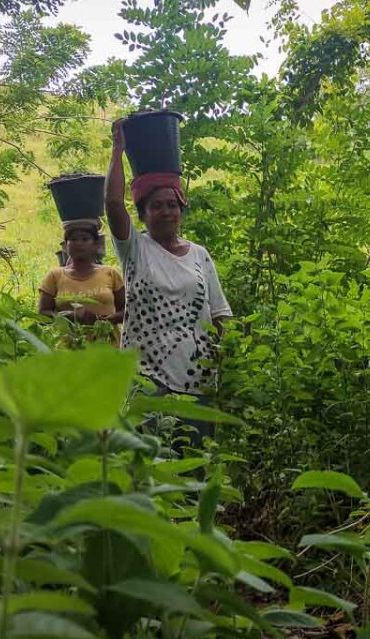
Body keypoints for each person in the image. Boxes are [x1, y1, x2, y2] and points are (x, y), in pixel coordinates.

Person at [105, 119, 232, 449]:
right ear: (143, 214)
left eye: (172, 204)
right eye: (156, 206)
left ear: (182, 208)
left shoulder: (199, 255)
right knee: (150, 464)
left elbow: (220, 316)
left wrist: (224, 359)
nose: (166, 212)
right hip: (149, 378)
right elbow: (113, 205)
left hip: (198, 379)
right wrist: (117, 150)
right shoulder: (136, 250)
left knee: (194, 468)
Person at [38, 219, 125, 343]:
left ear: (95, 245)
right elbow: (42, 314)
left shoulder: (110, 273)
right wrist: (69, 317)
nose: (79, 244)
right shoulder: (55, 276)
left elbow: (127, 310)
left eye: (85, 239)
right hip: (70, 351)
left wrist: (110, 319)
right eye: (73, 240)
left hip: (108, 348)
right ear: (66, 246)